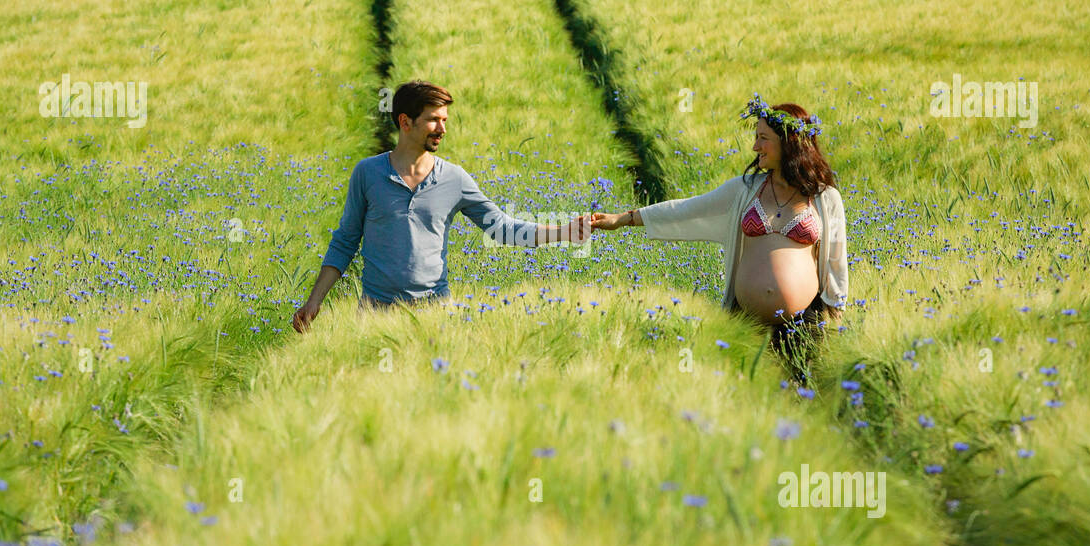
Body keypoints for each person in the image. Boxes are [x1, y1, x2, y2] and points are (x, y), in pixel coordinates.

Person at [293, 80, 593, 331]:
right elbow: (345, 241)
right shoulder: (368, 173)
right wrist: (315, 300)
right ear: (405, 122)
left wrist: (565, 231)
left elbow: (502, 229)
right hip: (375, 315)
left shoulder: (453, 178)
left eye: (445, 120)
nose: (442, 129)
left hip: (435, 313)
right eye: (434, 120)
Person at [590, 95, 848, 382]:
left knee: (799, 401)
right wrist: (622, 219)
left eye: (763, 138)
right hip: (745, 324)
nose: (755, 146)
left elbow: (836, 261)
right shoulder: (746, 189)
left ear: (789, 143)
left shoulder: (825, 198)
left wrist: (837, 323)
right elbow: (687, 209)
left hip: (803, 326)